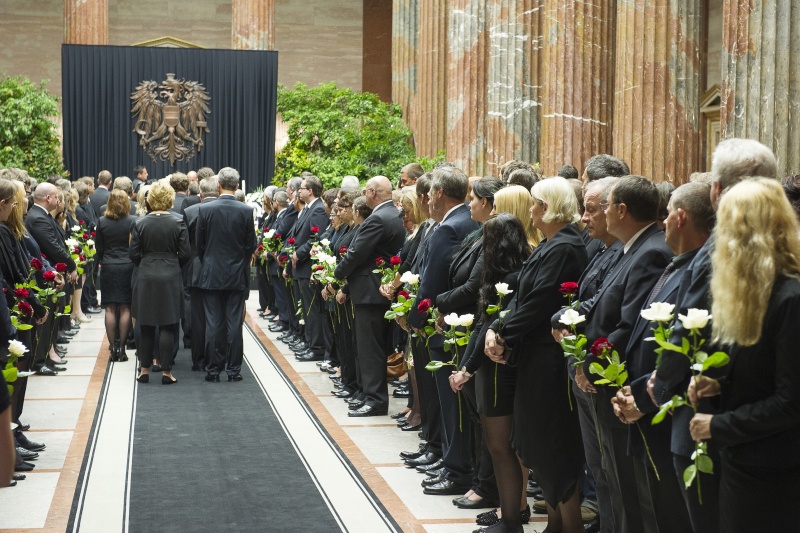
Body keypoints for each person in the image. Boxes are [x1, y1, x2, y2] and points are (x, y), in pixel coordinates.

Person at [686, 178, 800, 533]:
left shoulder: (791, 298)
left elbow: (791, 401)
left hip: (776, 471)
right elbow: (758, 374)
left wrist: (718, 425)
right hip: (742, 461)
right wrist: (715, 384)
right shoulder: (752, 291)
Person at [483, 177, 588, 533]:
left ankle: (568, 526)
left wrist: (503, 333)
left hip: (548, 359)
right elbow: (520, 298)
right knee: (536, 443)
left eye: (535, 204)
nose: (531, 210)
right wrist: (499, 328)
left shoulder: (566, 246)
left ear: (549, 207)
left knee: (552, 444)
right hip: (534, 355)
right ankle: (555, 524)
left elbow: (541, 301)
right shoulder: (551, 243)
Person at [450, 213, 531, 528]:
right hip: (495, 368)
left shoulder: (507, 279)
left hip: (497, 371)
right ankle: (510, 510)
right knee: (502, 446)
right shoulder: (515, 270)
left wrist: (466, 369)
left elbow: (487, 328)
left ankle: (510, 516)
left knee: (500, 446)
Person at [407, 165, 480, 494]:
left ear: (438, 193)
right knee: (451, 404)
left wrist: (415, 318)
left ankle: (456, 469)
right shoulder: (463, 219)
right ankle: (449, 460)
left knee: (452, 407)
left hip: (446, 323)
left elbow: (434, 282)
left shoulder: (449, 227)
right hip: (458, 321)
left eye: (431, 191)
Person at [334, 175, 406, 417]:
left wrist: (338, 273)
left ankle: (374, 400)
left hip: (370, 291)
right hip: (379, 290)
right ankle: (369, 394)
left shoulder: (377, 218)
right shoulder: (394, 214)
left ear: (373, 193)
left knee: (370, 348)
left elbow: (356, 253)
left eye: (366, 191)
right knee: (374, 346)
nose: (364, 196)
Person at [196, 167, 258, 383]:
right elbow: (251, 245)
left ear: (218, 185)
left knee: (213, 323)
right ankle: (233, 370)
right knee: (234, 324)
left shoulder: (205, 210)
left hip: (212, 272)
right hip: (236, 273)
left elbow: (199, 245)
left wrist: (210, 261)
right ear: (237, 186)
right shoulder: (246, 211)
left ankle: (213, 370)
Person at [129, 182, 190, 384]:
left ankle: (144, 369)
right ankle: (166, 372)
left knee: (145, 323)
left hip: (146, 274)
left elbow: (134, 254)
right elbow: (186, 254)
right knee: (168, 325)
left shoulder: (140, 223)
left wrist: (147, 262)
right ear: (170, 199)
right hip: (170, 275)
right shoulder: (178, 222)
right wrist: (171, 263)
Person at [96, 189, 136, 362]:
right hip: (127, 266)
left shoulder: (102, 221)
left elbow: (99, 248)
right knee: (126, 307)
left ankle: (113, 348)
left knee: (110, 308)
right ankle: (123, 349)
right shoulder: (132, 221)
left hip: (109, 266)